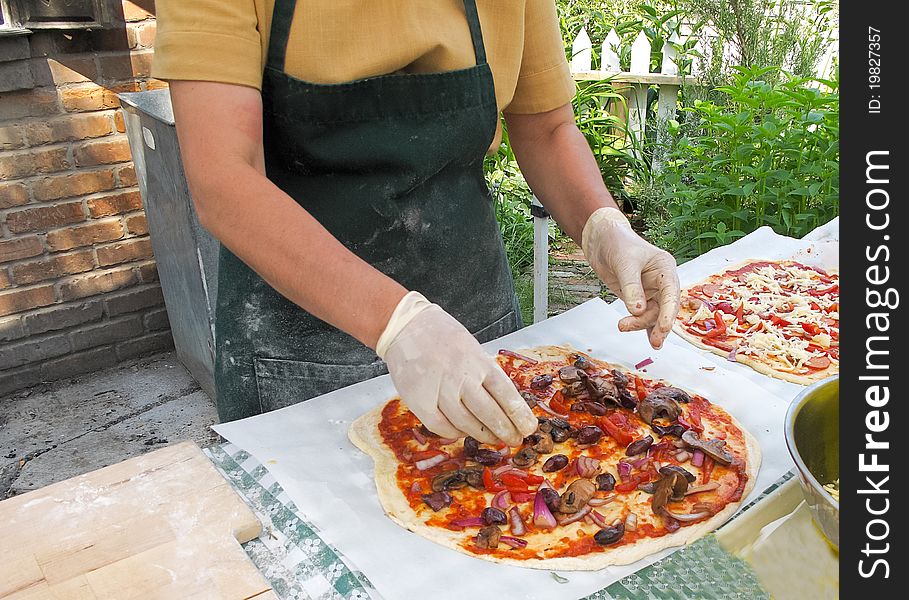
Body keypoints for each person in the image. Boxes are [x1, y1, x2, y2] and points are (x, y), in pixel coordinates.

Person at [152, 0, 680, 447]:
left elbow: (546, 127)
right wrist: (398, 323)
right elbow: (224, 177)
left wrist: (605, 226)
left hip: (476, 317)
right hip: (295, 350)